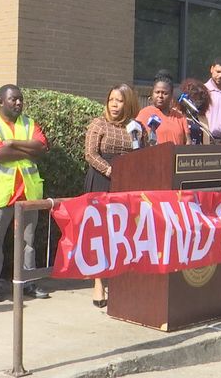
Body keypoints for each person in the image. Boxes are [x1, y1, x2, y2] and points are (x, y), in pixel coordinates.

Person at [0, 85, 51, 302]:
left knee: (28, 242)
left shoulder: (29, 123)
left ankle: (28, 282)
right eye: (13, 100)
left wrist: (12, 144)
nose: (18, 103)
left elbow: (41, 148)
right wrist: (25, 149)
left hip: (28, 194)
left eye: (20, 99)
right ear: (0, 102)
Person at [83, 83, 143, 308]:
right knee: (101, 233)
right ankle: (99, 282)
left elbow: (141, 153)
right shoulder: (99, 124)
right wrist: (109, 170)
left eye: (119, 100)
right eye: (111, 100)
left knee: (122, 232)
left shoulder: (135, 127)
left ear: (128, 103)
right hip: (101, 179)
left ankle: (121, 278)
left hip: (126, 183)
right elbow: (90, 153)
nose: (115, 105)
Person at [137, 71, 189, 145]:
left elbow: (188, 142)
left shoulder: (180, 117)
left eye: (165, 93)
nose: (160, 96)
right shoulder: (144, 114)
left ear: (171, 96)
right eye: (157, 92)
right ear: (152, 93)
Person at [179, 78, 213, 145]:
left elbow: (206, 142)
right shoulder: (177, 116)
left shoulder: (202, 118)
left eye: (200, 98)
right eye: (194, 96)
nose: (197, 101)